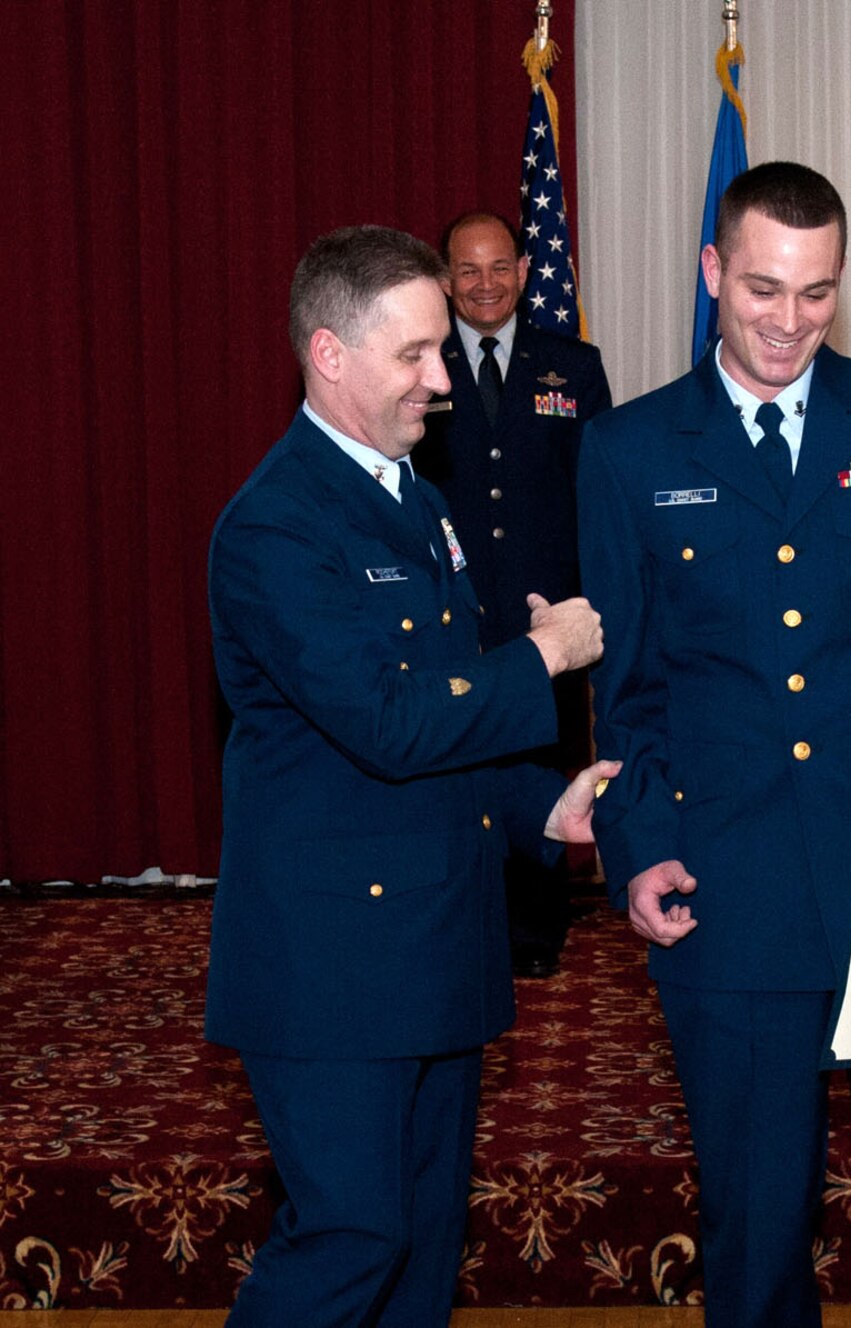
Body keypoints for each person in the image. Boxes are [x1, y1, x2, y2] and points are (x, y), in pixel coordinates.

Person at [577, 162, 851, 1328]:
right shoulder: (628, 450)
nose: (788, 322)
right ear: (713, 272)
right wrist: (638, 845)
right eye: (764, 289)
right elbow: (627, 695)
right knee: (757, 1217)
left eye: (817, 294)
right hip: (730, 890)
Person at [206, 224, 616, 1326]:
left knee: (426, 1238)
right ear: (330, 353)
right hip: (334, 959)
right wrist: (541, 656)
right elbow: (387, 724)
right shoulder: (277, 526)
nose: (443, 380)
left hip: (438, 935)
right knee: (351, 1233)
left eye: (442, 352)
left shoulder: (414, 502)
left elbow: (446, 726)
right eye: (416, 356)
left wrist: (543, 800)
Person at [414, 210, 614, 979]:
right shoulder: (420, 368)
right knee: (455, 765)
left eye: (501, 267)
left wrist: (590, 603)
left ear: (527, 273)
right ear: (445, 279)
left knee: (542, 768)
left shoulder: (574, 365)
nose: (486, 284)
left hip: (546, 618)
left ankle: (534, 929)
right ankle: (463, 921)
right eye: (468, 270)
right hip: (451, 613)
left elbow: (595, 496)